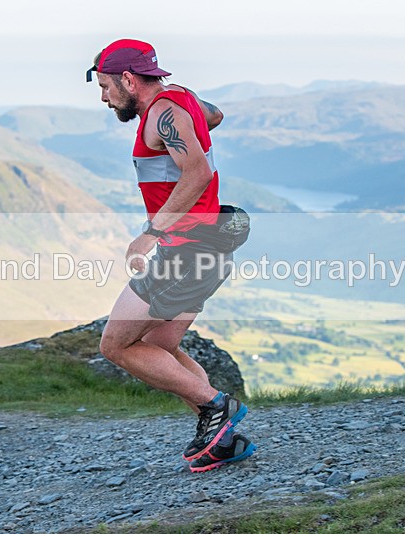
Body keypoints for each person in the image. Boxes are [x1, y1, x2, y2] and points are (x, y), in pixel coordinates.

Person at [86, 39, 256, 472]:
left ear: (128, 79)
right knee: (159, 345)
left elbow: (196, 172)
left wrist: (149, 234)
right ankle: (222, 439)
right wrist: (184, 116)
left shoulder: (162, 113)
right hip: (207, 246)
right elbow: (212, 115)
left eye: (106, 86)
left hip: (186, 249)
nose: (104, 98)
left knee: (116, 345)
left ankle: (218, 407)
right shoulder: (178, 101)